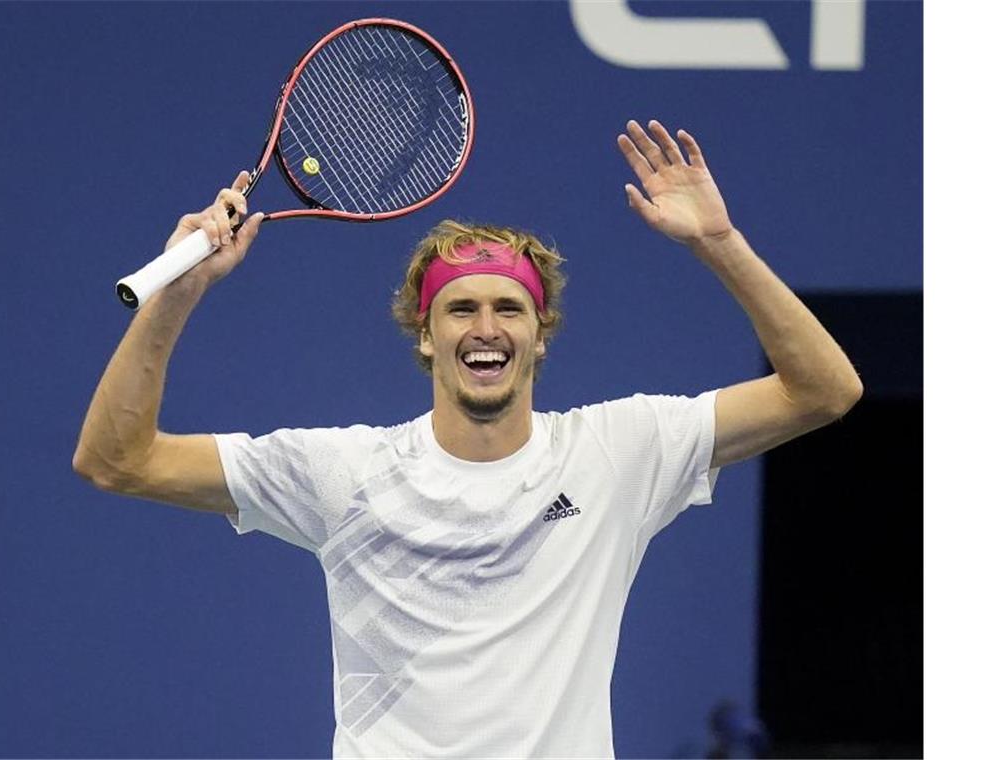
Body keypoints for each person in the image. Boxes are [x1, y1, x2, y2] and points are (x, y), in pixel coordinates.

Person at [73, 119, 862, 758]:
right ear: (425, 335)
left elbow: (825, 390)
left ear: (540, 334)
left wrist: (717, 243)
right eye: (460, 309)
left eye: (509, 309)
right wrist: (172, 300)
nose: (486, 329)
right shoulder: (343, 472)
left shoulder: (619, 453)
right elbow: (116, 461)